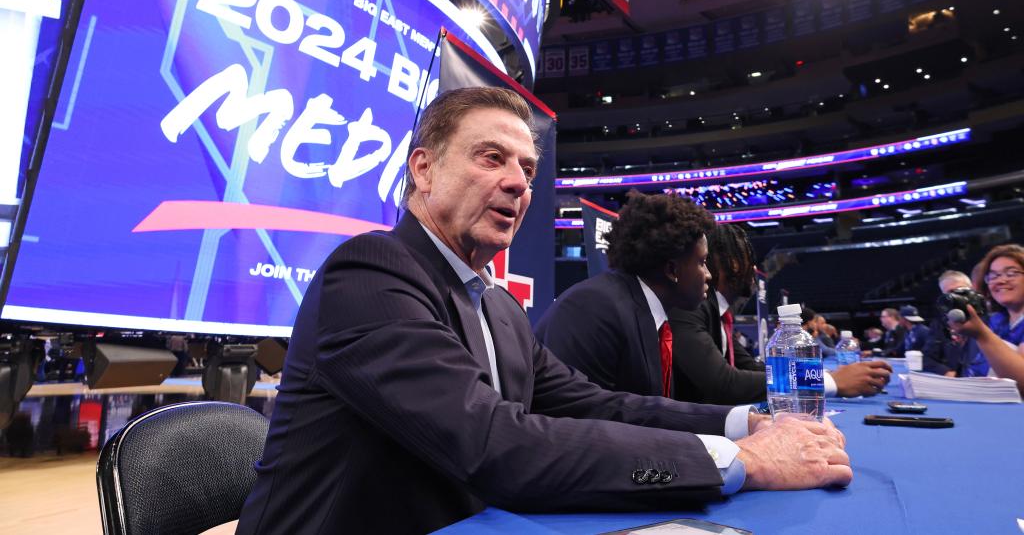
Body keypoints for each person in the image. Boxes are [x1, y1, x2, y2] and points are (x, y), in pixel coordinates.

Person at [236, 88, 851, 534]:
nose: (517, 183)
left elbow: (600, 404)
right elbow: (491, 442)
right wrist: (742, 465)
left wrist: (747, 424)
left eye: (527, 169)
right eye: (490, 158)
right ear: (423, 169)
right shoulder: (370, 273)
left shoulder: (499, 307)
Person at [669, 225, 891, 404]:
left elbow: (752, 367)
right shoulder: (691, 308)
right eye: (749, 258)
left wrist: (819, 373)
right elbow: (725, 382)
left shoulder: (718, 312)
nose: (754, 268)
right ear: (735, 264)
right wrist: (827, 381)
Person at [535, 191, 714, 398]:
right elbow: (585, 417)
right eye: (702, 262)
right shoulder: (593, 307)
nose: (708, 275)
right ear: (672, 270)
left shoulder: (645, 312)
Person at [975, 244, 1024, 346]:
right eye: (993, 276)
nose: (1000, 281)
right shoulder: (994, 322)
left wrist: (981, 336)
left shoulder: (982, 331)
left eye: (1011, 273)